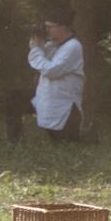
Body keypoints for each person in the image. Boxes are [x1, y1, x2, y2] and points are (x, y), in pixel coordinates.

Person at [27, 8, 86, 142]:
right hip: (50, 103)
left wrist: (36, 49)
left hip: (66, 108)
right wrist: (38, 43)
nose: (46, 30)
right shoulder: (54, 45)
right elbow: (39, 60)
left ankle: (88, 137)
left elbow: (51, 71)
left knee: (68, 146)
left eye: (49, 27)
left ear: (64, 27)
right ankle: (15, 142)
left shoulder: (73, 46)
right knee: (14, 99)